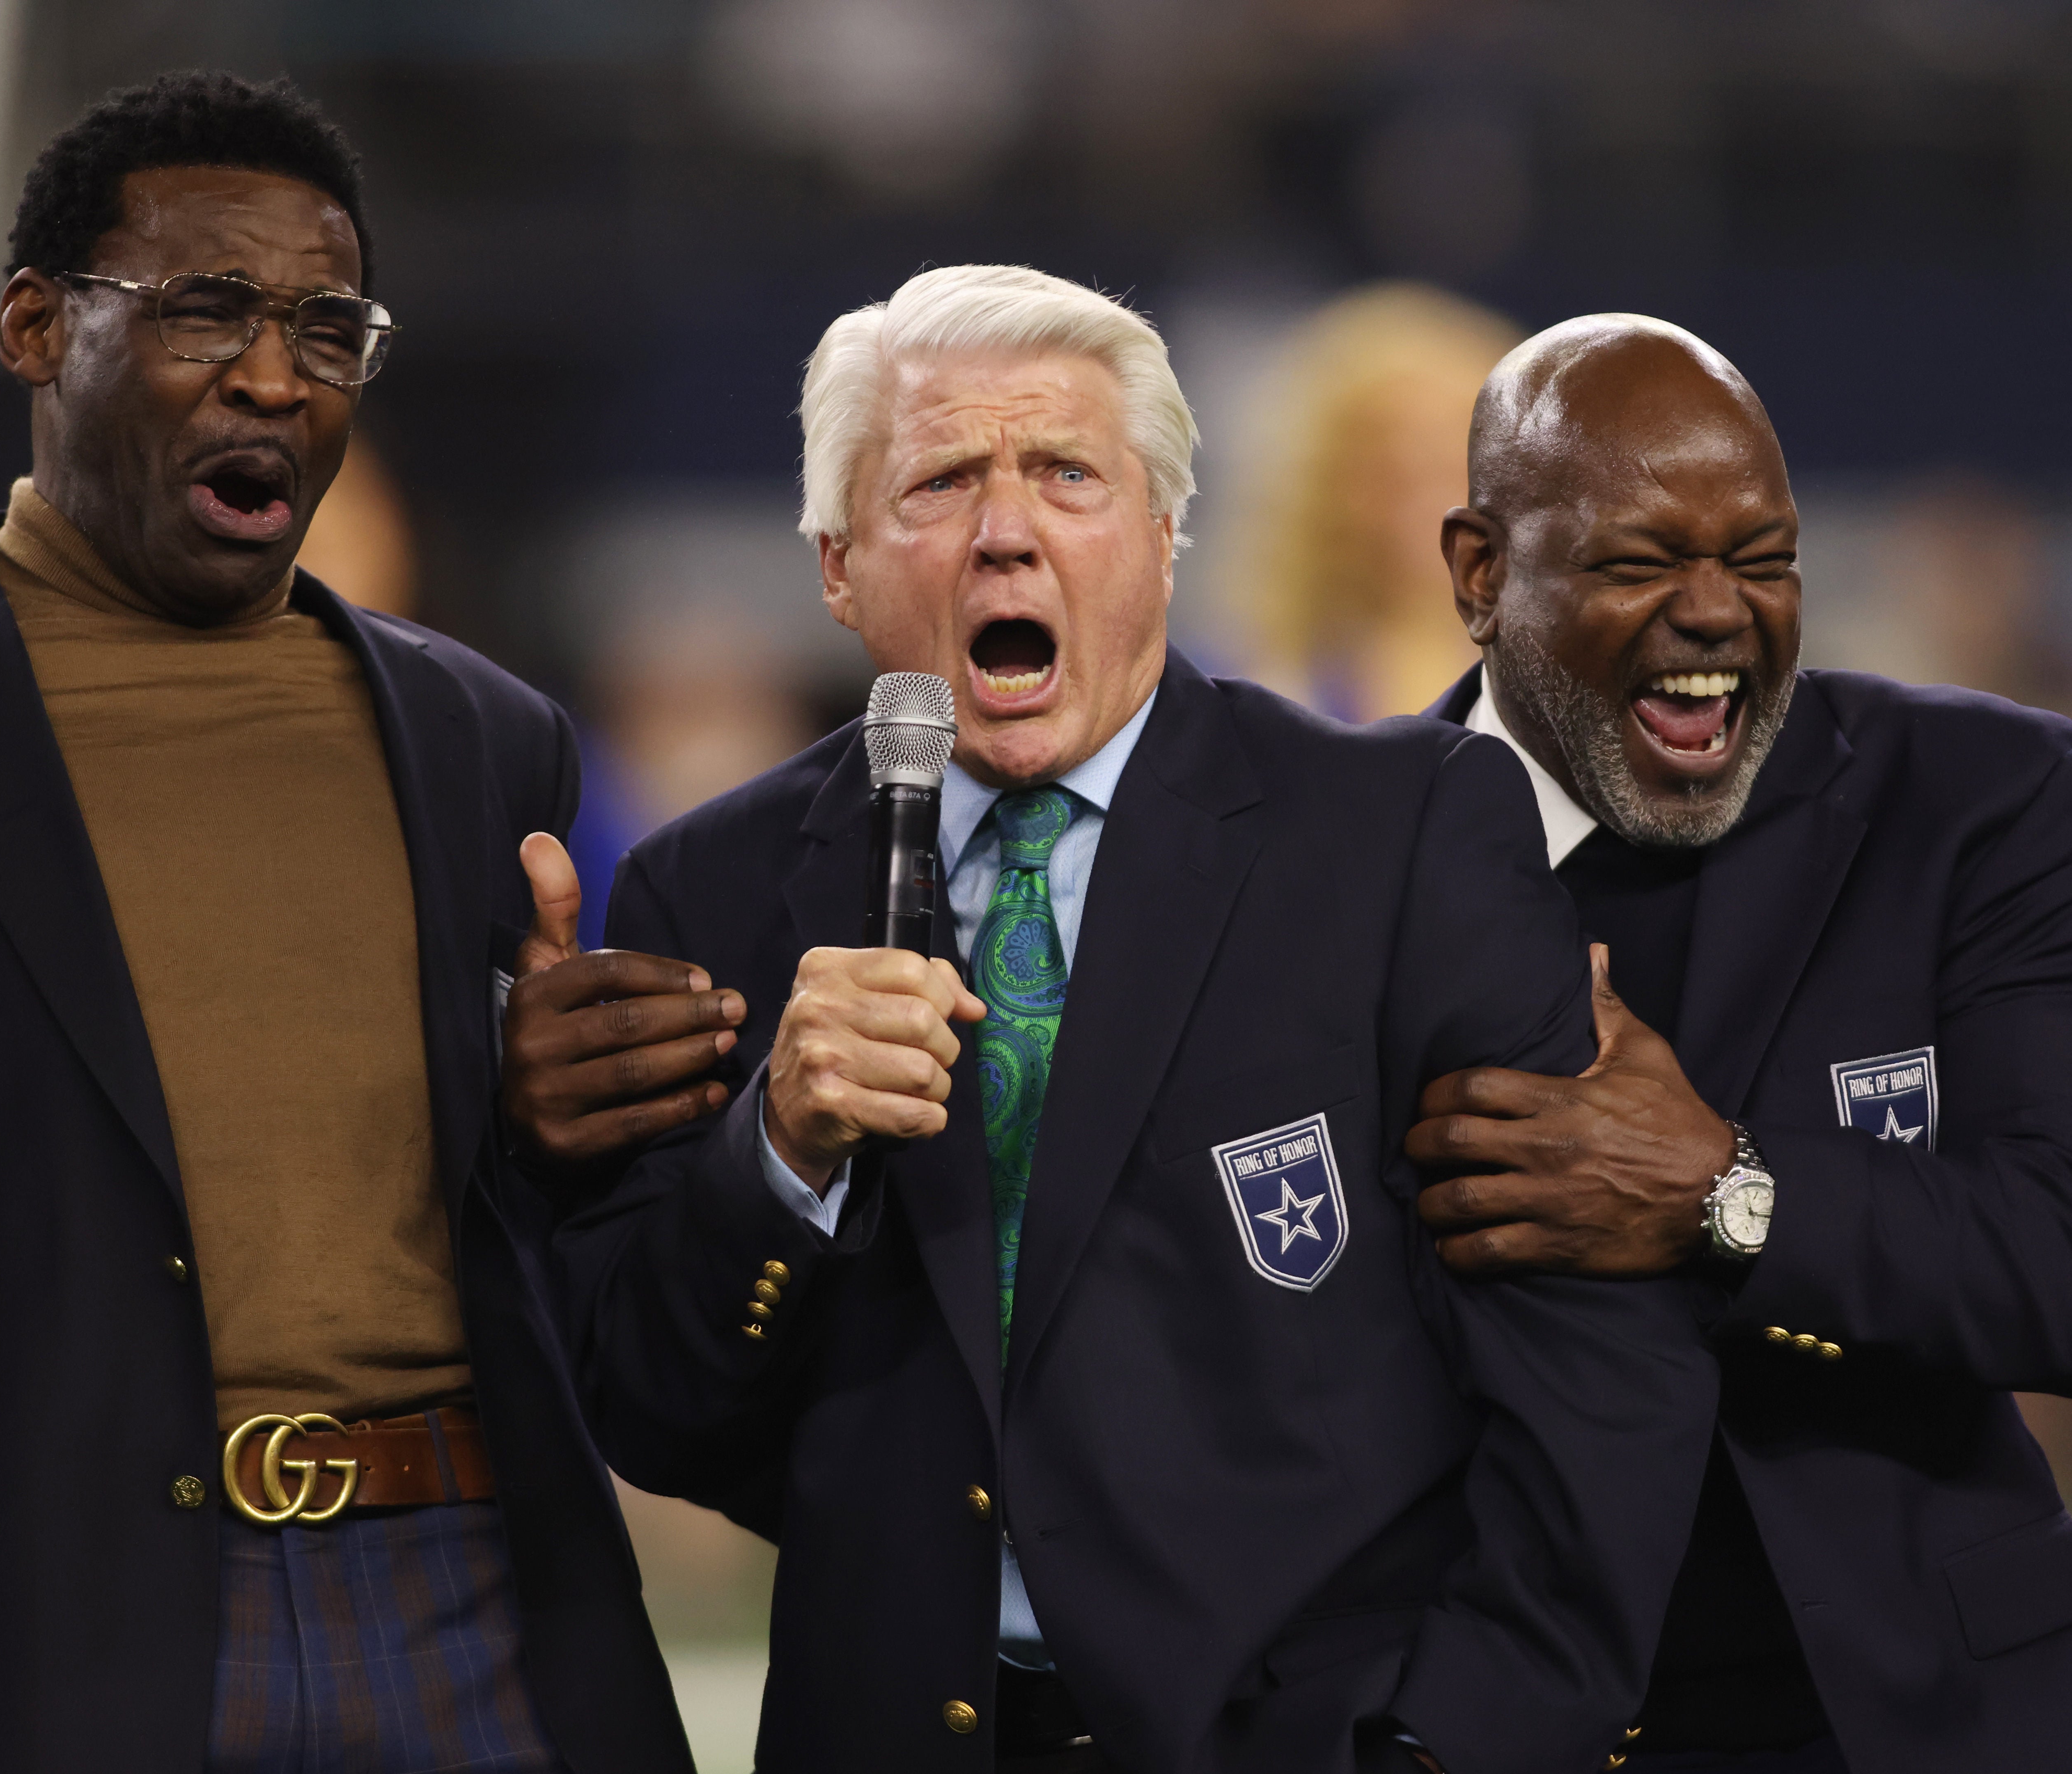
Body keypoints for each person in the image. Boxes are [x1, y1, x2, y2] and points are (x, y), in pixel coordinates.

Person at [0, 73, 713, 1772]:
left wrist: (560, 1131)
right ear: (30, 326)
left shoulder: (482, 736)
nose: (276, 376)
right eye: (205, 309)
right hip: (21, 1653)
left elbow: (531, 1254)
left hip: (471, 1613)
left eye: (328, 326)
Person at [524, 264, 1718, 1774]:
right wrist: (779, 1148)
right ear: (837, 565)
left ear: (1163, 538)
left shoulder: (1399, 832)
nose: (1005, 525)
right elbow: (661, 1408)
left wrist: (1462, 1739)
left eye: (1067, 474)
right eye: (942, 477)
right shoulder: (722, 884)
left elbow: (1593, 1361)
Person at [1405, 314, 2072, 1772]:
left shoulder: (1971, 802)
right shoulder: (1340, 853)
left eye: (1763, 560)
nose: (1717, 613)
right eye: (1640, 561)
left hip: (1921, 1717)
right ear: (1482, 569)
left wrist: (1729, 1192)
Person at [1225, 283, 1521, 719]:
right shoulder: (1255, 697)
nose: (1428, 508)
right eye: (1390, 473)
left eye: (1451, 464)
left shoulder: (1574, 706)